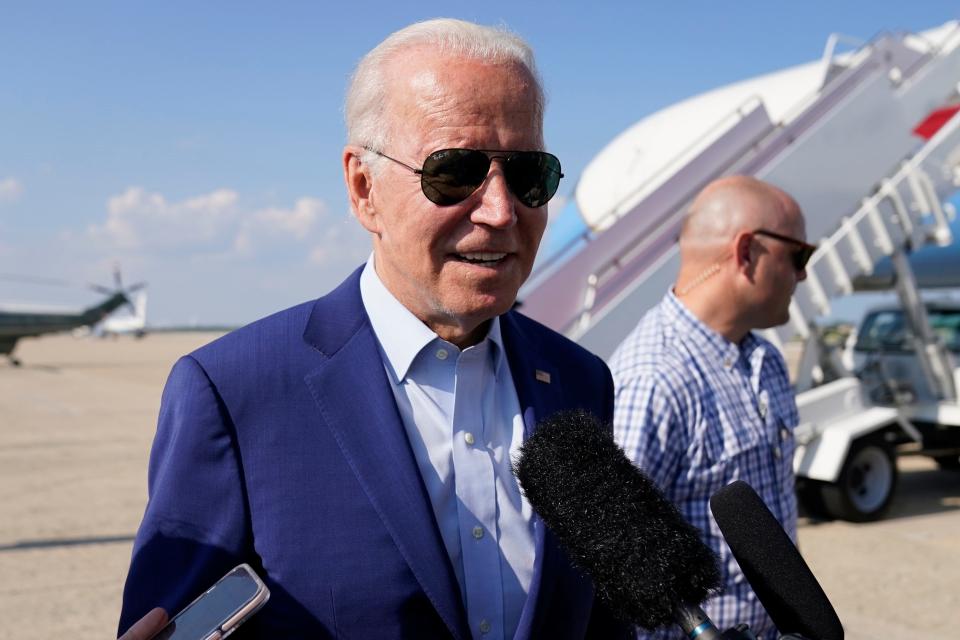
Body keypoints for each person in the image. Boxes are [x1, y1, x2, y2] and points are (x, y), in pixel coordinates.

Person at [118, 18, 628, 640]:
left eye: (528, 176)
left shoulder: (580, 381)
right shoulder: (232, 392)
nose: (500, 211)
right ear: (364, 189)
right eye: (454, 172)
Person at [609, 176, 816, 640]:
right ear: (746, 253)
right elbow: (618, 574)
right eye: (798, 256)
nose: (803, 274)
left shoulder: (765, 360)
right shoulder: (653, 381)